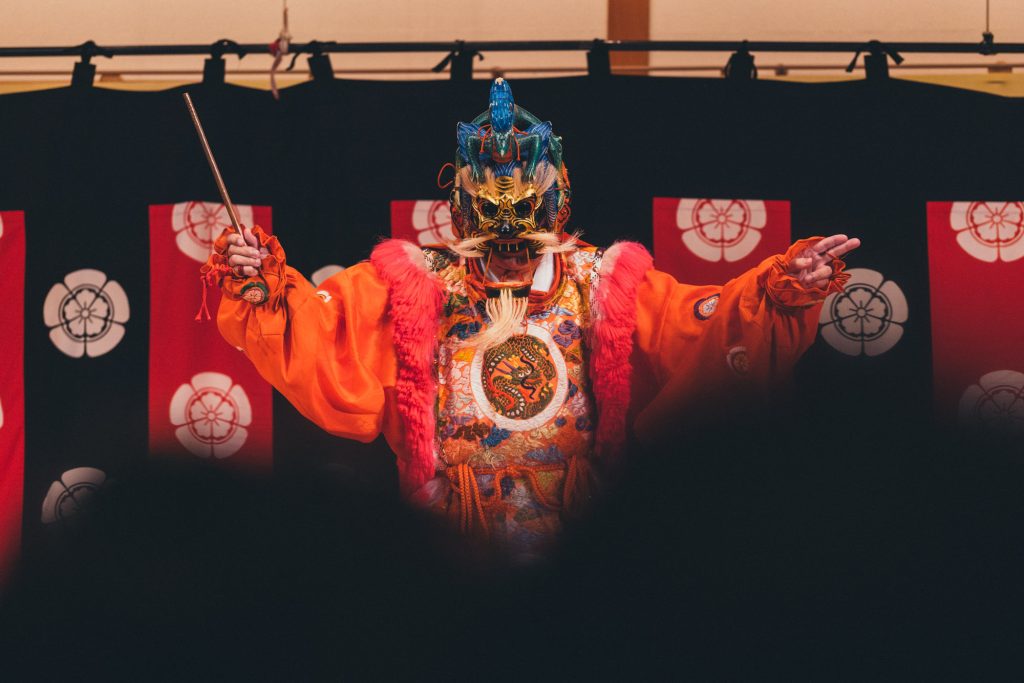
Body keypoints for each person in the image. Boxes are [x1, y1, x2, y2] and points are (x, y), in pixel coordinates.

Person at [207, 78, 860, 558]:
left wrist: (776, 291)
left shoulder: (604, 284)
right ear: (460, 214)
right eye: (492, 231)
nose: (510, 252)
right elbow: (324, 332)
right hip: (448, 539)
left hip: (581, 544)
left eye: (524, 230)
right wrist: (260, 282)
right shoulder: (411, 288)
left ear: (557, 206)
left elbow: (700, 328)